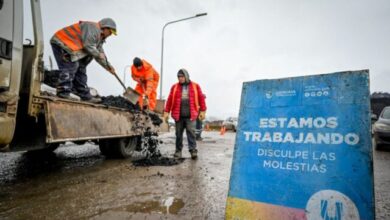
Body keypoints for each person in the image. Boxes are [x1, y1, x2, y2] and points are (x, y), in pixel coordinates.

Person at [50, 18, 117, 102]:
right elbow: (88, 45)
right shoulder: (92, 28)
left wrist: (108, 67)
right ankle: (63, 92)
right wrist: (98, 54)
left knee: (81, 69)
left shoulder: (100, 38)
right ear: (105, 27)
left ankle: (85, 96)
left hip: (72, 49)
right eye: (110, 32)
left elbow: (99, 55)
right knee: (70, 66)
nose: (110, 34)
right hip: (62, 43)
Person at [163, 69, 206, 159]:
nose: (180, 78)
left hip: (191, 116)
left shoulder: (195, 86)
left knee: (191, 133)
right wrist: (166, 111)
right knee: (178, 134)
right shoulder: (174, 87)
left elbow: (201, 98)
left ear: (186, 76)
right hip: (178, 116)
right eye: (179, 77)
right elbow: (170, 99)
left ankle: (193, 151)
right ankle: (178, 152)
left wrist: (202, 110)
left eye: (182, 77)